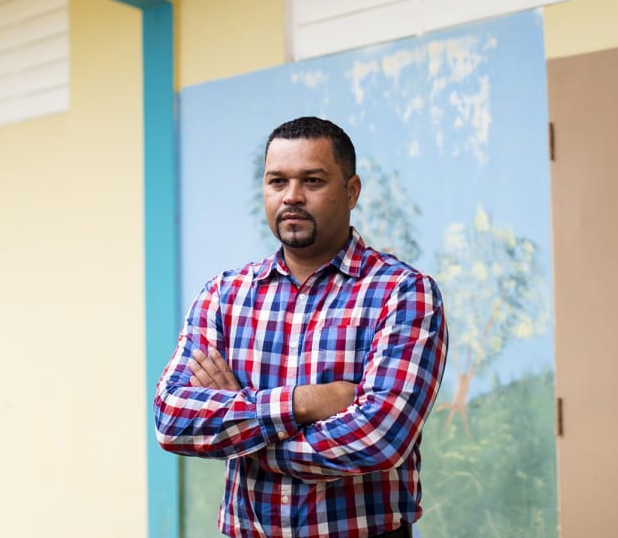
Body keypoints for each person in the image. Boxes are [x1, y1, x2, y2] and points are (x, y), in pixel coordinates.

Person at [154, 116, 449, 538]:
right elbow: (173, 419)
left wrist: (246, 433)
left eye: (312, 181)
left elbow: (380, 437)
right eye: (277, 182)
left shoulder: (403, 293)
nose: (292, 196)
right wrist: (307, 402)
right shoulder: (225, 296)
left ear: (351, 192)